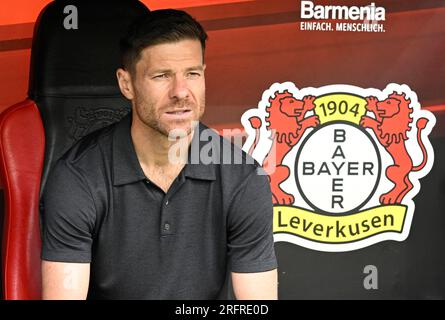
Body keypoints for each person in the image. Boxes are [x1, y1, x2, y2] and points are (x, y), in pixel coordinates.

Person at [41, 9, 278, 300]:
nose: (181, 92)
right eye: (161, 76)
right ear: (126, 84)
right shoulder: (78, 177)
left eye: (192, 73)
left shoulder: (242, 178)